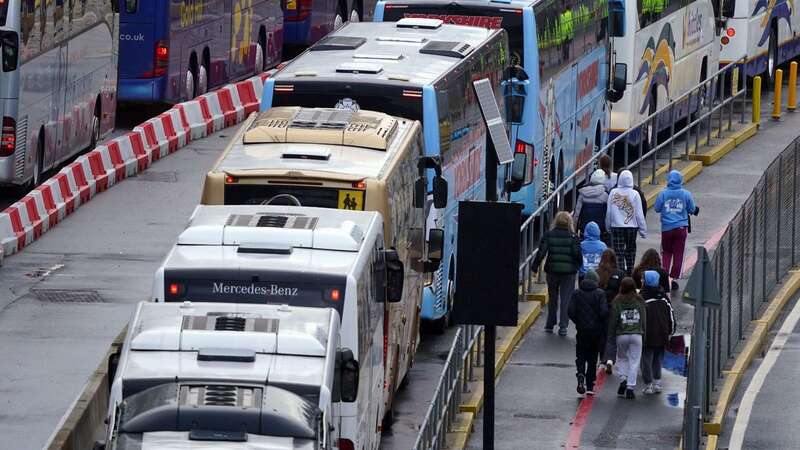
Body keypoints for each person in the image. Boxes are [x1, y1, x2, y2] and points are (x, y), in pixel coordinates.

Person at [533, 211, 583, 336]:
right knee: (566, 299)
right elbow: (578, 255)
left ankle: (550, 324)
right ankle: (563, 326)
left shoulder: (549, 235)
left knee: (553, 297)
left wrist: (535, 267)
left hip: (552, 270)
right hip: (569, 273)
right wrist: (577, 266)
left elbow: (541, 252)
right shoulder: (573, 237)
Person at [654, 170, 698, 291]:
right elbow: (692, 209)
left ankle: (664, 276)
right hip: (681, 228)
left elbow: (657, 208)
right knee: (679, 255)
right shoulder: (686, 194)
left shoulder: (663, 194)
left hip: (666, 228)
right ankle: (673, 278)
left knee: (666, 253)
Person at [568, 270, 609, 396]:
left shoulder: (576, 293)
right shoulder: (600, 294)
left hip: (582, 330)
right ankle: (590, 385)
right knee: (592, 358)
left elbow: (570, 311)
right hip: (596, 332)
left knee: (580, 355)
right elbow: (604, 312)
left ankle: (580, 374)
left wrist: (578, 322)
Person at [608, 277, 646, 399]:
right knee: (634, 361)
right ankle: (630, 387)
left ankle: (623, 379)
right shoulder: (639, 301)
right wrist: (643, 334)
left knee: (622, 358)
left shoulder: (617, 302)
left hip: (622, 334)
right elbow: (644, 320)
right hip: (636, 334)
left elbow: (613, 321)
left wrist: (610, 336)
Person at [640, 270, 676, 394]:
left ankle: (648, 384)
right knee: (658, 359)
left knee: (646, 359)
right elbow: (671, 315)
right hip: (662, 334)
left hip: (647, 334)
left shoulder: (642, 297)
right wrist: (671, 332)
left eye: (643, 279)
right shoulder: (664, 297)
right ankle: (657, 383)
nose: (641, 280)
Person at [606, 170, 647, 275]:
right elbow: (639, 214)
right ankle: (630, 272)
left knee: (618, 252)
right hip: (632, 227)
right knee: (630, 250)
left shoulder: (613, 192)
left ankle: (620, 274)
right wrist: (643, 230)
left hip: (617, 226)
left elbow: (609, 212)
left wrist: (608, 226)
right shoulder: (635, 194)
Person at [596, 249, 626, 373]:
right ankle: (610, 359)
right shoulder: (620, 273)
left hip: (600, 308)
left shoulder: (598, 272)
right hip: (615, 308)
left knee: (601, 335)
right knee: (612, 336)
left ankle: (602, 359)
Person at [574, 169, 609, 241]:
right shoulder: (606, 195)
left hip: (584, 230)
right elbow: (608, 214)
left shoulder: (582, 194)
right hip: (601, 231)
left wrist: (574, 229)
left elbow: (577, 214)